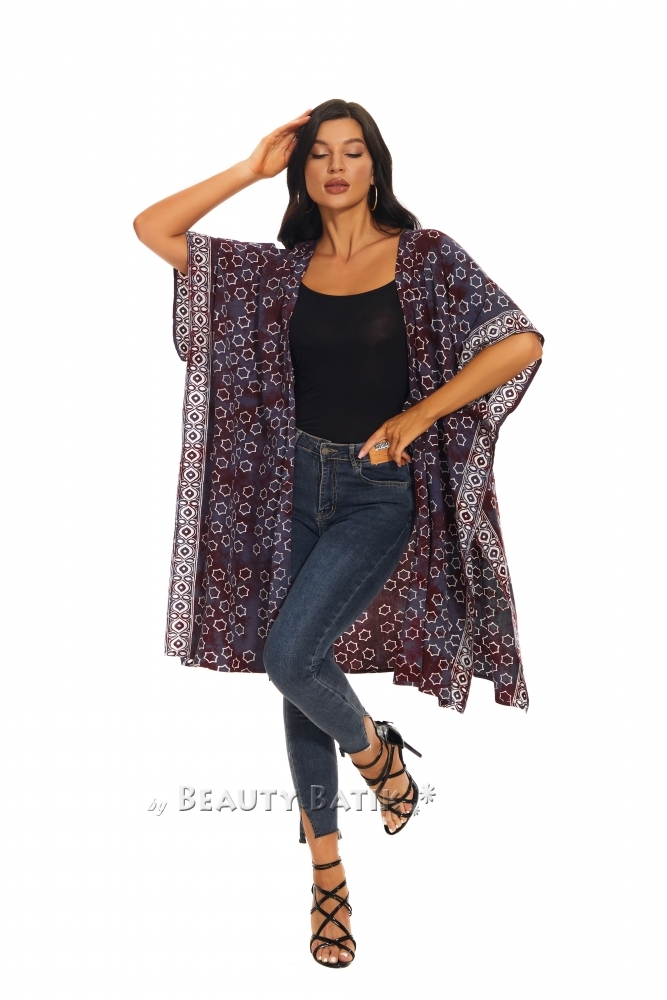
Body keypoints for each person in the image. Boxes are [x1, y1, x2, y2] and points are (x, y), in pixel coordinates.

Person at [134, 99, 543, 968]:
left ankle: (376, 755)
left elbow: (518, 343)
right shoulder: (277, 274)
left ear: (374, 166)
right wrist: (247, 168)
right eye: (319, 154)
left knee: (290, 658)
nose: (335, 167)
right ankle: (328, 874)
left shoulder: (425, 257)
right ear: (302, 170)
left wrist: (419, 416)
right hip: (287, 487)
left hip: (374, 493)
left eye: (352, 152)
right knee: (300, 665)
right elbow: (152, 228)